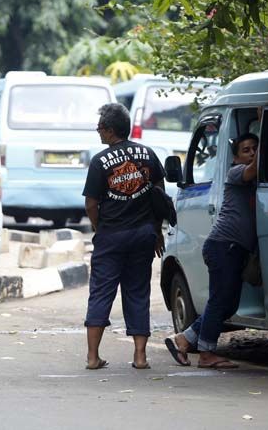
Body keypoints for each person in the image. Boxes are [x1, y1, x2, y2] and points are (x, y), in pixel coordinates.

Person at [82, 103, 166, 370]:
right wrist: (156, 231)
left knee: (101, 293)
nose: (98, 133)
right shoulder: (148, 154)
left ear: (108, 130)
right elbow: (159, 197)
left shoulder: (99, 161)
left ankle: (93, 357)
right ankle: (140, 356)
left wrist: (99, 228)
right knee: (138, 292)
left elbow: (91, 204)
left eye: (99, 128)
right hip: (143, 234)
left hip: (111, 235)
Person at [165, 132, 259, 369]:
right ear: (236, 157)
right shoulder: (236, 172)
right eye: (246, 150)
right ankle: (206, 354)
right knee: (219, 301)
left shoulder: (253, 178)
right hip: (222, 246)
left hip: (233, 249)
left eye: (254, 148)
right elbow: (252, 169)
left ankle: (184, 339)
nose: (251, 153)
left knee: (229, 305)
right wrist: (266, 141)